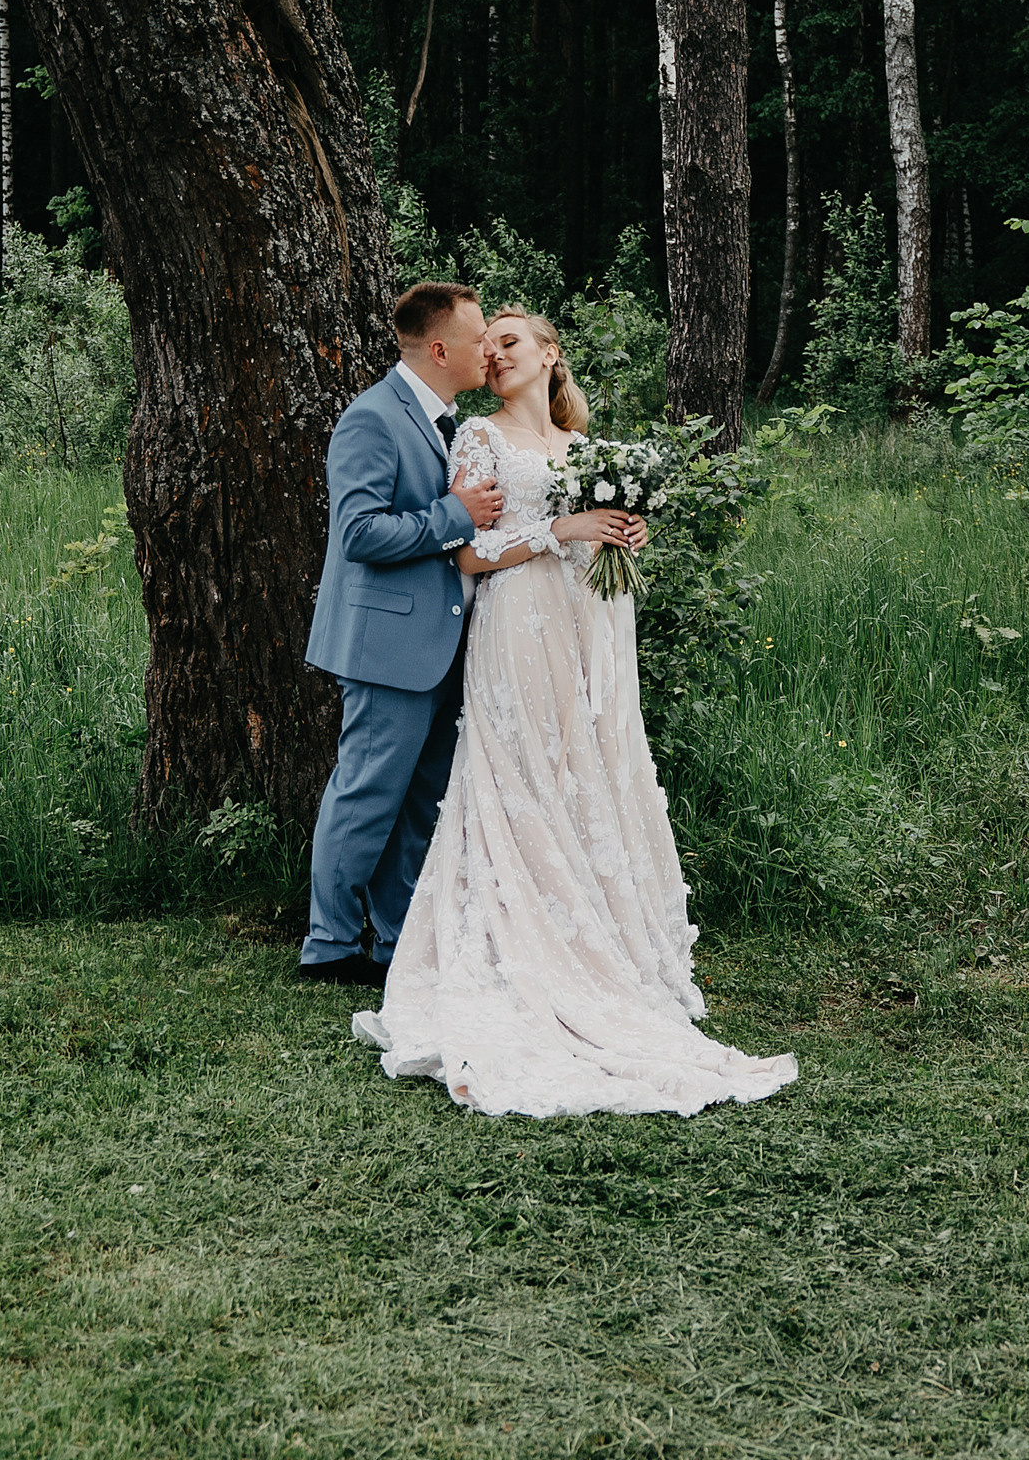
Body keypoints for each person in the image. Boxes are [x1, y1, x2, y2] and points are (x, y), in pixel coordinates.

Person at [354, 308, 800, 1120]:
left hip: (593, 625)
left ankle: (609, 948)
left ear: (552, 355)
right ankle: (528, 951)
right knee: (526, 773)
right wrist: (562, 529)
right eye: (487, 349)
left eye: (510, 342)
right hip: (520, 626)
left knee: (593, 766)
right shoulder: (478, 440)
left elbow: (593, 532)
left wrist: (621, 533)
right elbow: (470, 552)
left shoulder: (589, 450)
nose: (493, 356)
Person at [298, 282, 506, 984]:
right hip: (387, 647)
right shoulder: (373, 420)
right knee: (366, 794)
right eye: (480, 338)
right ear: (441, 347)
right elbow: (359, 533)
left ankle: (393, 942)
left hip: (444, 643)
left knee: (420, 801)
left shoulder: (451, 423)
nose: (489, 350)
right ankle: (327, 945)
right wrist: (455, 515)